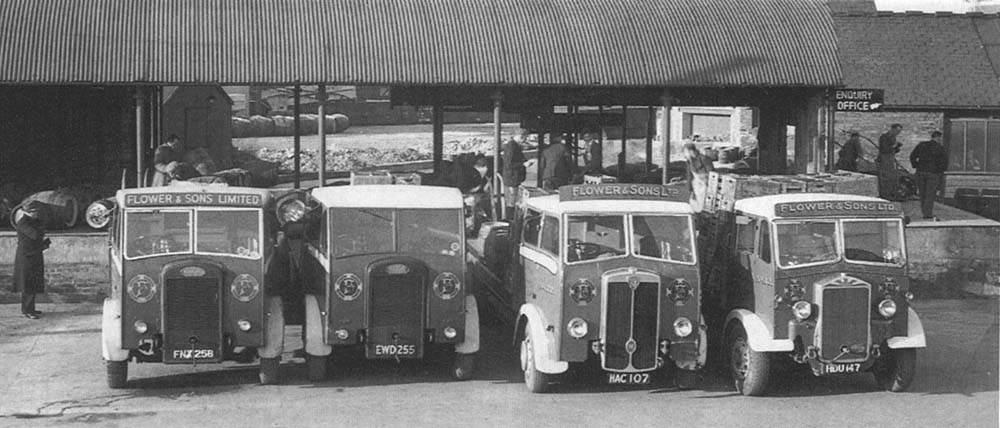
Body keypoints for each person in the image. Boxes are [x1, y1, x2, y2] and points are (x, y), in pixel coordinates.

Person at [13, 201, 50, 319]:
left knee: (33, 283)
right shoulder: (23, 223)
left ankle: (31, 308)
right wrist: (42, 237)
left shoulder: (32, 222)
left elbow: (38, 235)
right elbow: (35, 235)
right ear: (29, 212)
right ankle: (27, 311)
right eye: (35, 212)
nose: (37, 214)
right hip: (26, 257)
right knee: (27, 284)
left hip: (34, 255)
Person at [909, 131, 949, 220]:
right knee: (930, 194)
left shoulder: (922, 145)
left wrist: (915, 165)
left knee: (922, 193)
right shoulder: (940, 148)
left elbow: (912, 156)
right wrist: (939, 171)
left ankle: (924, 211)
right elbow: (944, 163)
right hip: (933, 174)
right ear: (938, 138)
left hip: (920, 172)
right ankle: (927, 214)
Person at [501, 129, 528, 212]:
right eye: (525, 138)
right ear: (521, 137)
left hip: (513, 178)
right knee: (511, 202)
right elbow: (509, 164)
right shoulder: (512, 146)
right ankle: (511, 220)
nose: (526, 140)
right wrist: (523, 164)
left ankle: (511, 219)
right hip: (511, 179)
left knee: (513, 201)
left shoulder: (513, 145)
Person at [683, 143, 715, 212]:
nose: (685, 155)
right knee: (693, 202)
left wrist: (705, 180)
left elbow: (712, 173)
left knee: (704, 202)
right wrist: (689, 188)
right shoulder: (689, 161)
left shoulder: (704, 159)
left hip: (705, 184)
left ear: (691, 151)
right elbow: (689, 176)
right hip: (695, 185)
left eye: (686, 152)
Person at [877, 124, 903, 199]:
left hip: (890, 159)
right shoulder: (884, 137)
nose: (898, 133)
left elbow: (893, 150)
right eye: (897, 131)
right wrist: (894, 146)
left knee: (891, 177)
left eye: (899, 132)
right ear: (892, 129)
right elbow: (884, 149)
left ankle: (889, 194)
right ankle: (884, 195)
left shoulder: (893, 138)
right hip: (884, 160)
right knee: (885, 178)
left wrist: (897, 147)